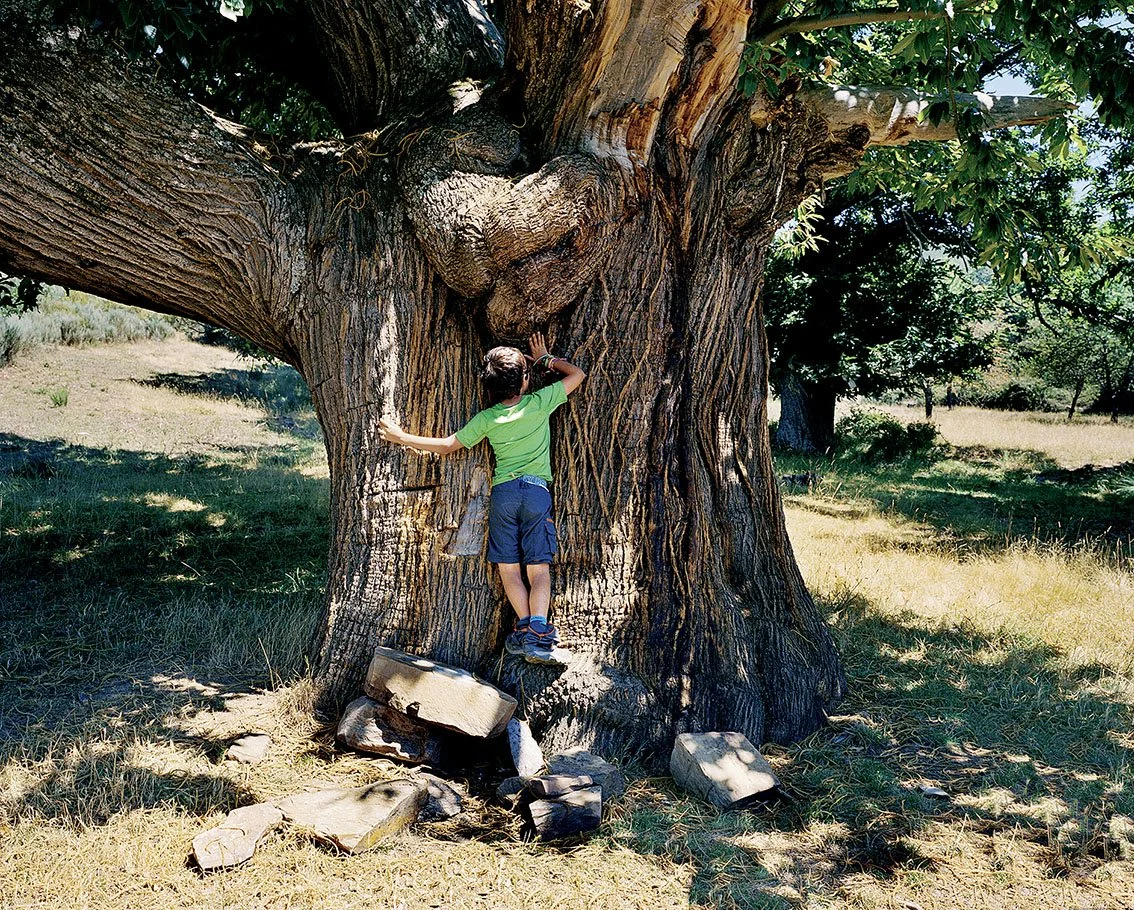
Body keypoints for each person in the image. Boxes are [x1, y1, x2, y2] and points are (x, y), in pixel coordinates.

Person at [377, 332, 586, 665]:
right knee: (539, 568)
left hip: (503, 495)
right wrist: (547, 358)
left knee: (508, 568)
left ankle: (524, 628)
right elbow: (577, 375)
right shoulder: (539, 402)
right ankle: (539, 633)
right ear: (526, 380)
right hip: (535, 493)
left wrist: (401, 436)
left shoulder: (487, 419)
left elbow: (447, 446)